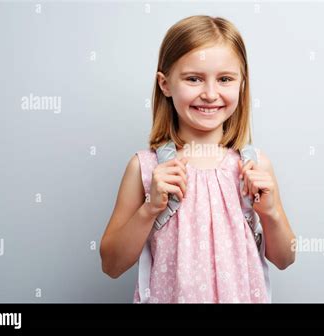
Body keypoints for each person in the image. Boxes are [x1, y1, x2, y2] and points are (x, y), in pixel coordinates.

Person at [100, 15, 296, 303]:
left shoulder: (254, 166)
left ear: (242, 84)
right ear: (165, 84)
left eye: (225, 79)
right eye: (194, 79)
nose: (210, 93)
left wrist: (270, 213)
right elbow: (111, 265)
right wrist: (150, 209)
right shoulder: (146, 168)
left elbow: (285, 258)